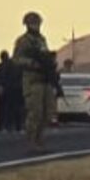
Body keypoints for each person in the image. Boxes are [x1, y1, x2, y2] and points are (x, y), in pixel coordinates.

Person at [12, 11, 56, 152]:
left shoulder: (42, 40)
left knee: (47, 112)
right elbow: (16, 59)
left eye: (37, 23)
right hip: (32, 81)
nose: (35, 26)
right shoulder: (23, 41)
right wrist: (32, 63)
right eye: (32, 23)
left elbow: (45, 56)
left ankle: (40, 139)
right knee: (35, 112)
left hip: (45, 80)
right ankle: (31, 141)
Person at [0, 50, 21, 133]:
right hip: (13, 90)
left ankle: (1, 126)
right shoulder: (15, 66)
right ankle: (15, 126)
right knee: (13, 108)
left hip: (2, 89)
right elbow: (19, 78)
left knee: (1, 108)